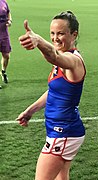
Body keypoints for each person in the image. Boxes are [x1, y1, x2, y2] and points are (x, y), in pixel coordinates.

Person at [17, 11, 86, 180]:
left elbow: (52, 56)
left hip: (63, 133)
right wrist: (30, 110)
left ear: (74, 34)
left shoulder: (73, 61)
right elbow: (55, 92)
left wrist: (39, 41)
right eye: (52, 33)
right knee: (61, 177)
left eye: (61, 33)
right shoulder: (63, 59)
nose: (55, 38)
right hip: (65, 130)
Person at [0, 0, 12, 84]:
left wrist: (9, 20)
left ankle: (3, 71)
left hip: (4, 33)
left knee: (6, 55)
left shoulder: (3, 2)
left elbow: (8, 12)